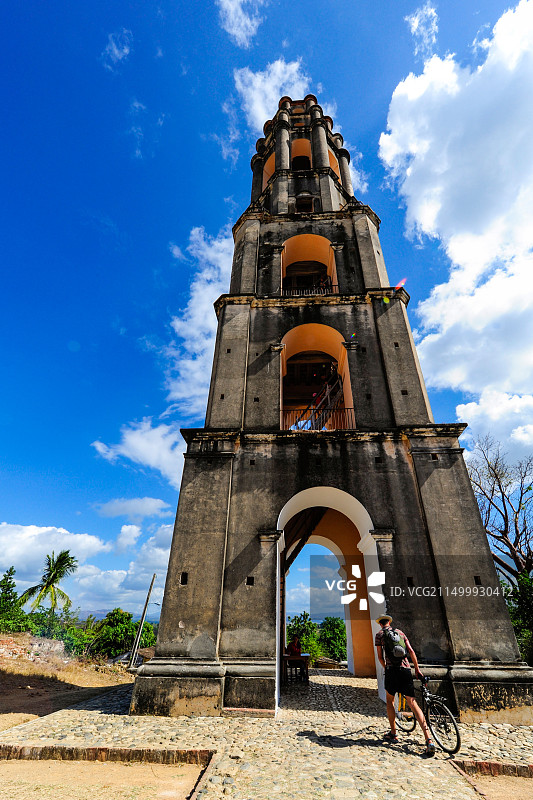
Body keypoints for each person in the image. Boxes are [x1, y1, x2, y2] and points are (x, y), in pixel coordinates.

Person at [375, 614, 435, 756]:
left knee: (390, 701)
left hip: (392, 671)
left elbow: (379, 656)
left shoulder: (379, 635)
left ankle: (393, 733)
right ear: (389, 622)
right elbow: (411, 651)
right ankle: (429, 739)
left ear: (380, 624)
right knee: (413, 704)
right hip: (406, 670)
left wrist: (386, 668)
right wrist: (417, 670)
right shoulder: (400, 633)